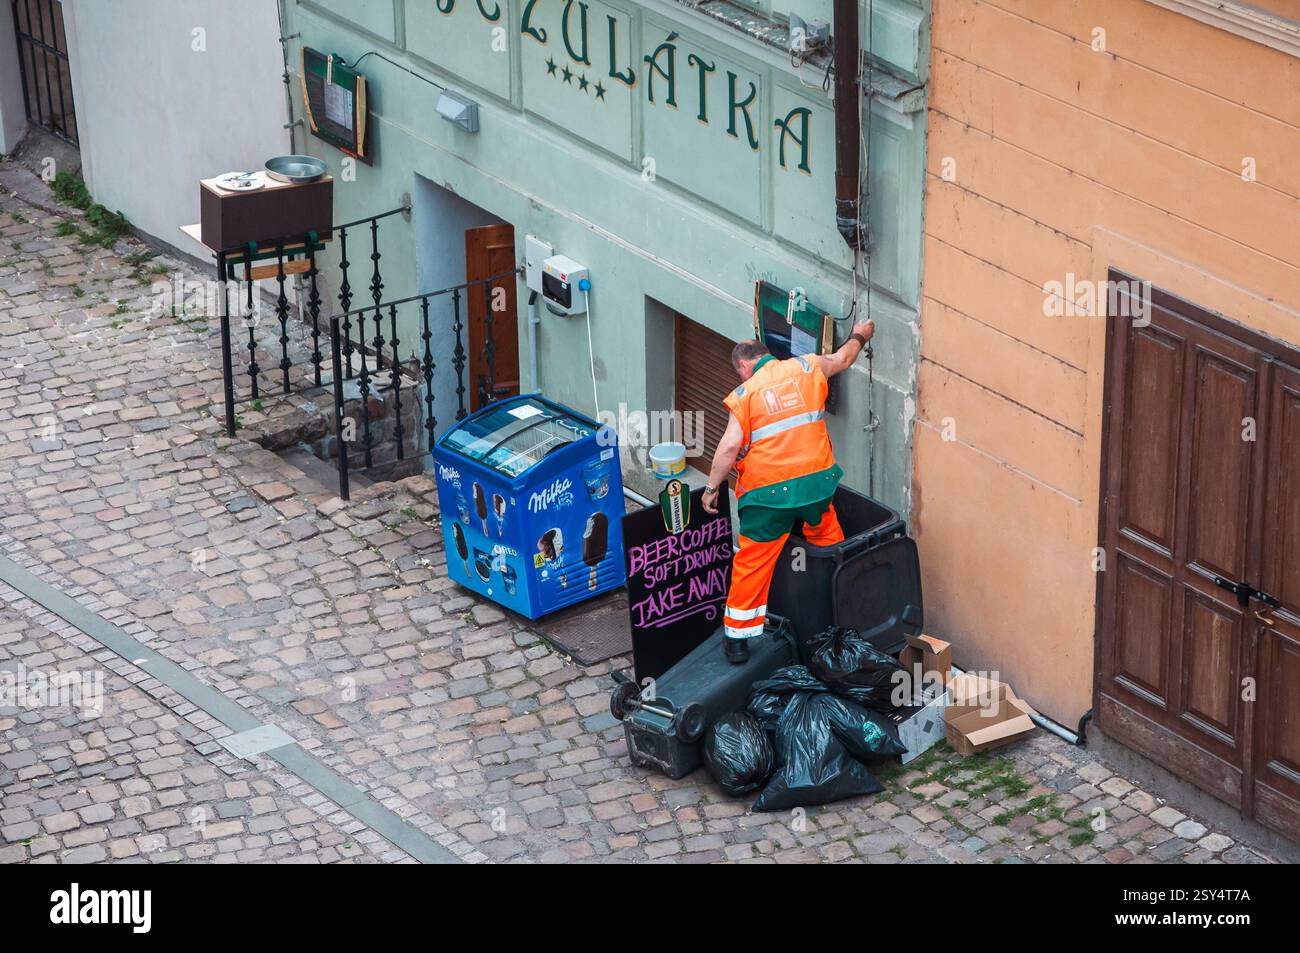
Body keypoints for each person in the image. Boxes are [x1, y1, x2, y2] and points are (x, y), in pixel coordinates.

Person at [702, 317, 876, 663]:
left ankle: (737, 641)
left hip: (769, 498)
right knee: (828, 539)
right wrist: (861, 333)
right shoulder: (807, 366)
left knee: (753, 563)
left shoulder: (746, 393)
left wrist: (711, 488)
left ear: (744, 366)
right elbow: (843, 358)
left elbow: (727, 449)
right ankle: (840, 610)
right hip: (816, 486)